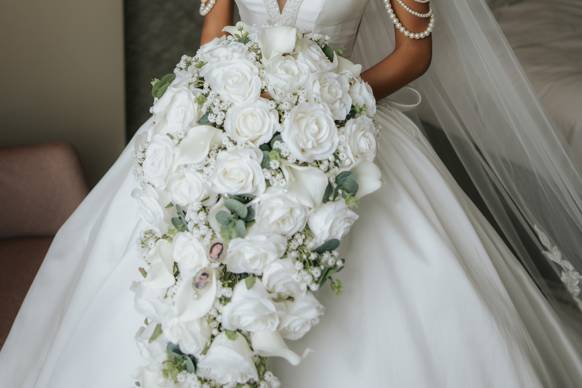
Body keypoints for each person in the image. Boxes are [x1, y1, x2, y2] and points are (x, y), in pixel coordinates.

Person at [1, 1, 581, 387]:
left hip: (342, 126)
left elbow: (414, 53)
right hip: (228, 119)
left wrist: (326, 100)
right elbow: (213, 33)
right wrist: (219, 102)